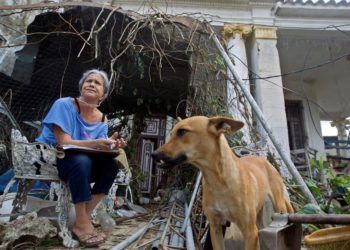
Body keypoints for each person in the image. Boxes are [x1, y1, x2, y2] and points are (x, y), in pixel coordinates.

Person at [36, 69, 125, 247]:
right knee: (81, 160)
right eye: (88, 81)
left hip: (79, 165)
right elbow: (64, 142)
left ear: (103, 95)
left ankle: (81, 218)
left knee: (111, 166)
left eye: (97, 83)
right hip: (50, 157)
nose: (92, 84)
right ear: (81, 87)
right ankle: (83, 224)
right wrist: (96, 143)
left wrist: (110, 146)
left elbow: (97, 149)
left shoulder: (102, 119)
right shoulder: (64, 105)